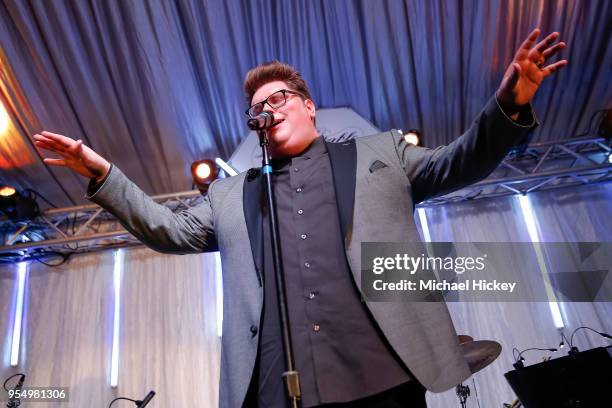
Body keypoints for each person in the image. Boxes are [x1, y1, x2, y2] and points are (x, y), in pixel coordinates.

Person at [34, 28, 567, 408]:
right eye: (260, 106)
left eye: (282, 97)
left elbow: (461, 160)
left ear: (309, 107)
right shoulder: (230, 195)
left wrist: (509, 101)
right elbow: (167, 230)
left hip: (381, 374)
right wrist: (102, 171)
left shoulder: (379, 156)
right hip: (277, 386)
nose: (271, 108)